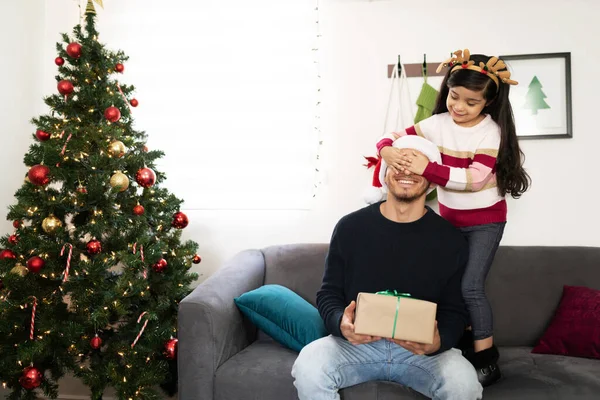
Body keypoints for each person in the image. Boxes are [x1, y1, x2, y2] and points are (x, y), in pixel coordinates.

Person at [375, 49, 531, 386]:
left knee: (470, 286)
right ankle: (458, 343)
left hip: (486, 220)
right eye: (453, 96)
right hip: (449, 220)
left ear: (487, 103)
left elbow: (475, 179)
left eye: (470, 102)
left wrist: (428, 168)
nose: (458, 106)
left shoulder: (490, 132)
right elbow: (394, 136)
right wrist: (386, 148)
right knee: (448, 286)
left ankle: (487, 361)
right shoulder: (437, 124)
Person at [291, 135, 483, 400]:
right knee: (309, 363)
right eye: (399, 165)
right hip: (357, 346)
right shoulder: (350, 228)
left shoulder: (450, 239)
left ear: (430, 179)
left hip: (420, 353)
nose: (407, 172)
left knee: (464, 383)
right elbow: (329, 293)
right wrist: (340, 323)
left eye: (416, 167)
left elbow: (455, 310)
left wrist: (439, 342)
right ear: (384, 173)